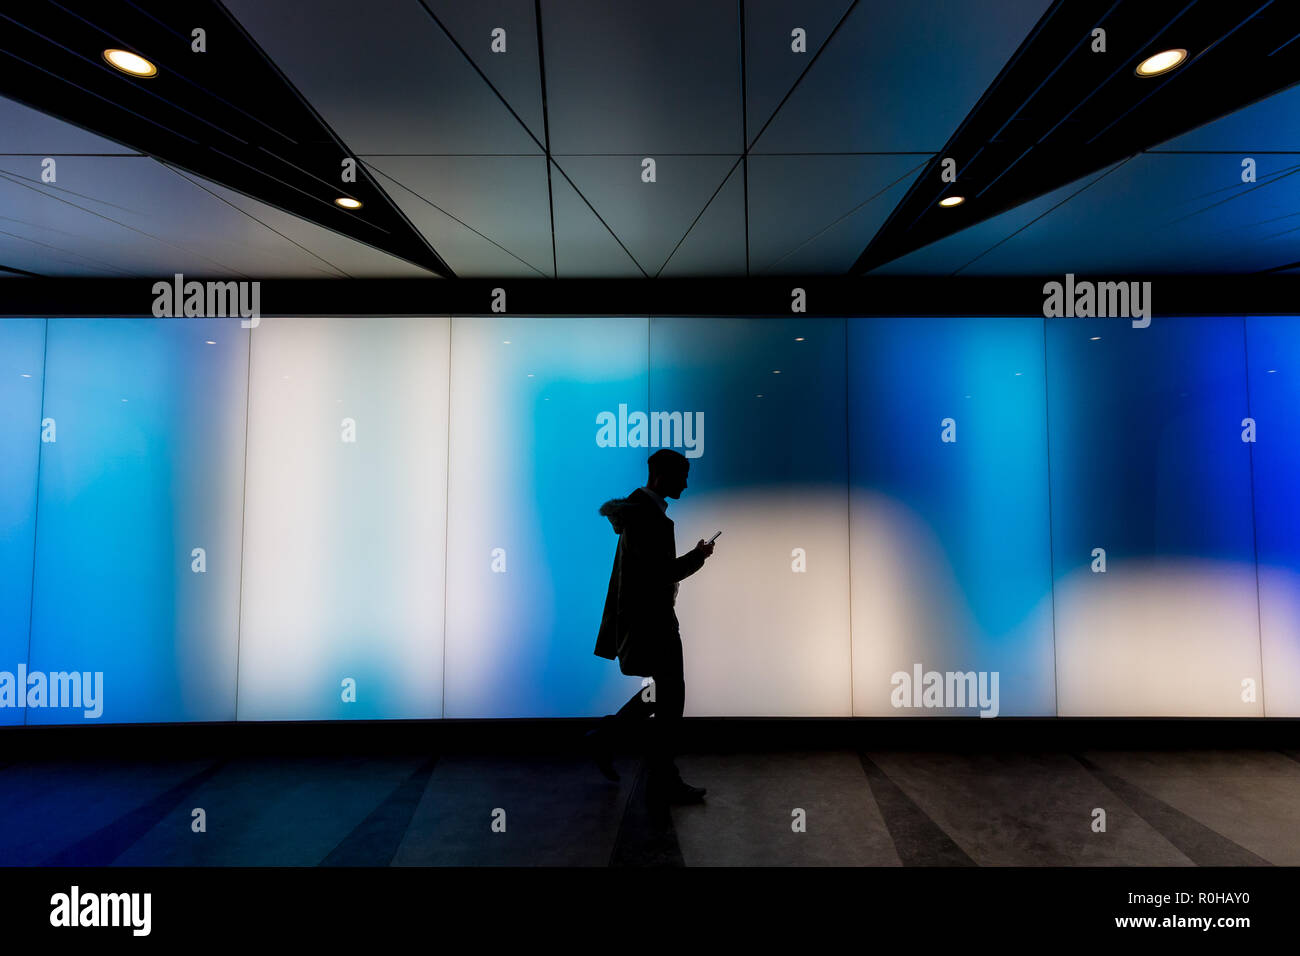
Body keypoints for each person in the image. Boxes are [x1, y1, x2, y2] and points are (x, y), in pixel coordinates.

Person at [588, 448, 715, 805]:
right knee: (671, 699)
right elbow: (662, 575)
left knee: (663, 694)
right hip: (654, 623)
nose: (687, 484)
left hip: (646, 621)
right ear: (662, 477)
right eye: (682, 476)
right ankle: (661, 777)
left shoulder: (640, 514)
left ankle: (607, 738)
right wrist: (698, 557)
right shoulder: (649, 519)